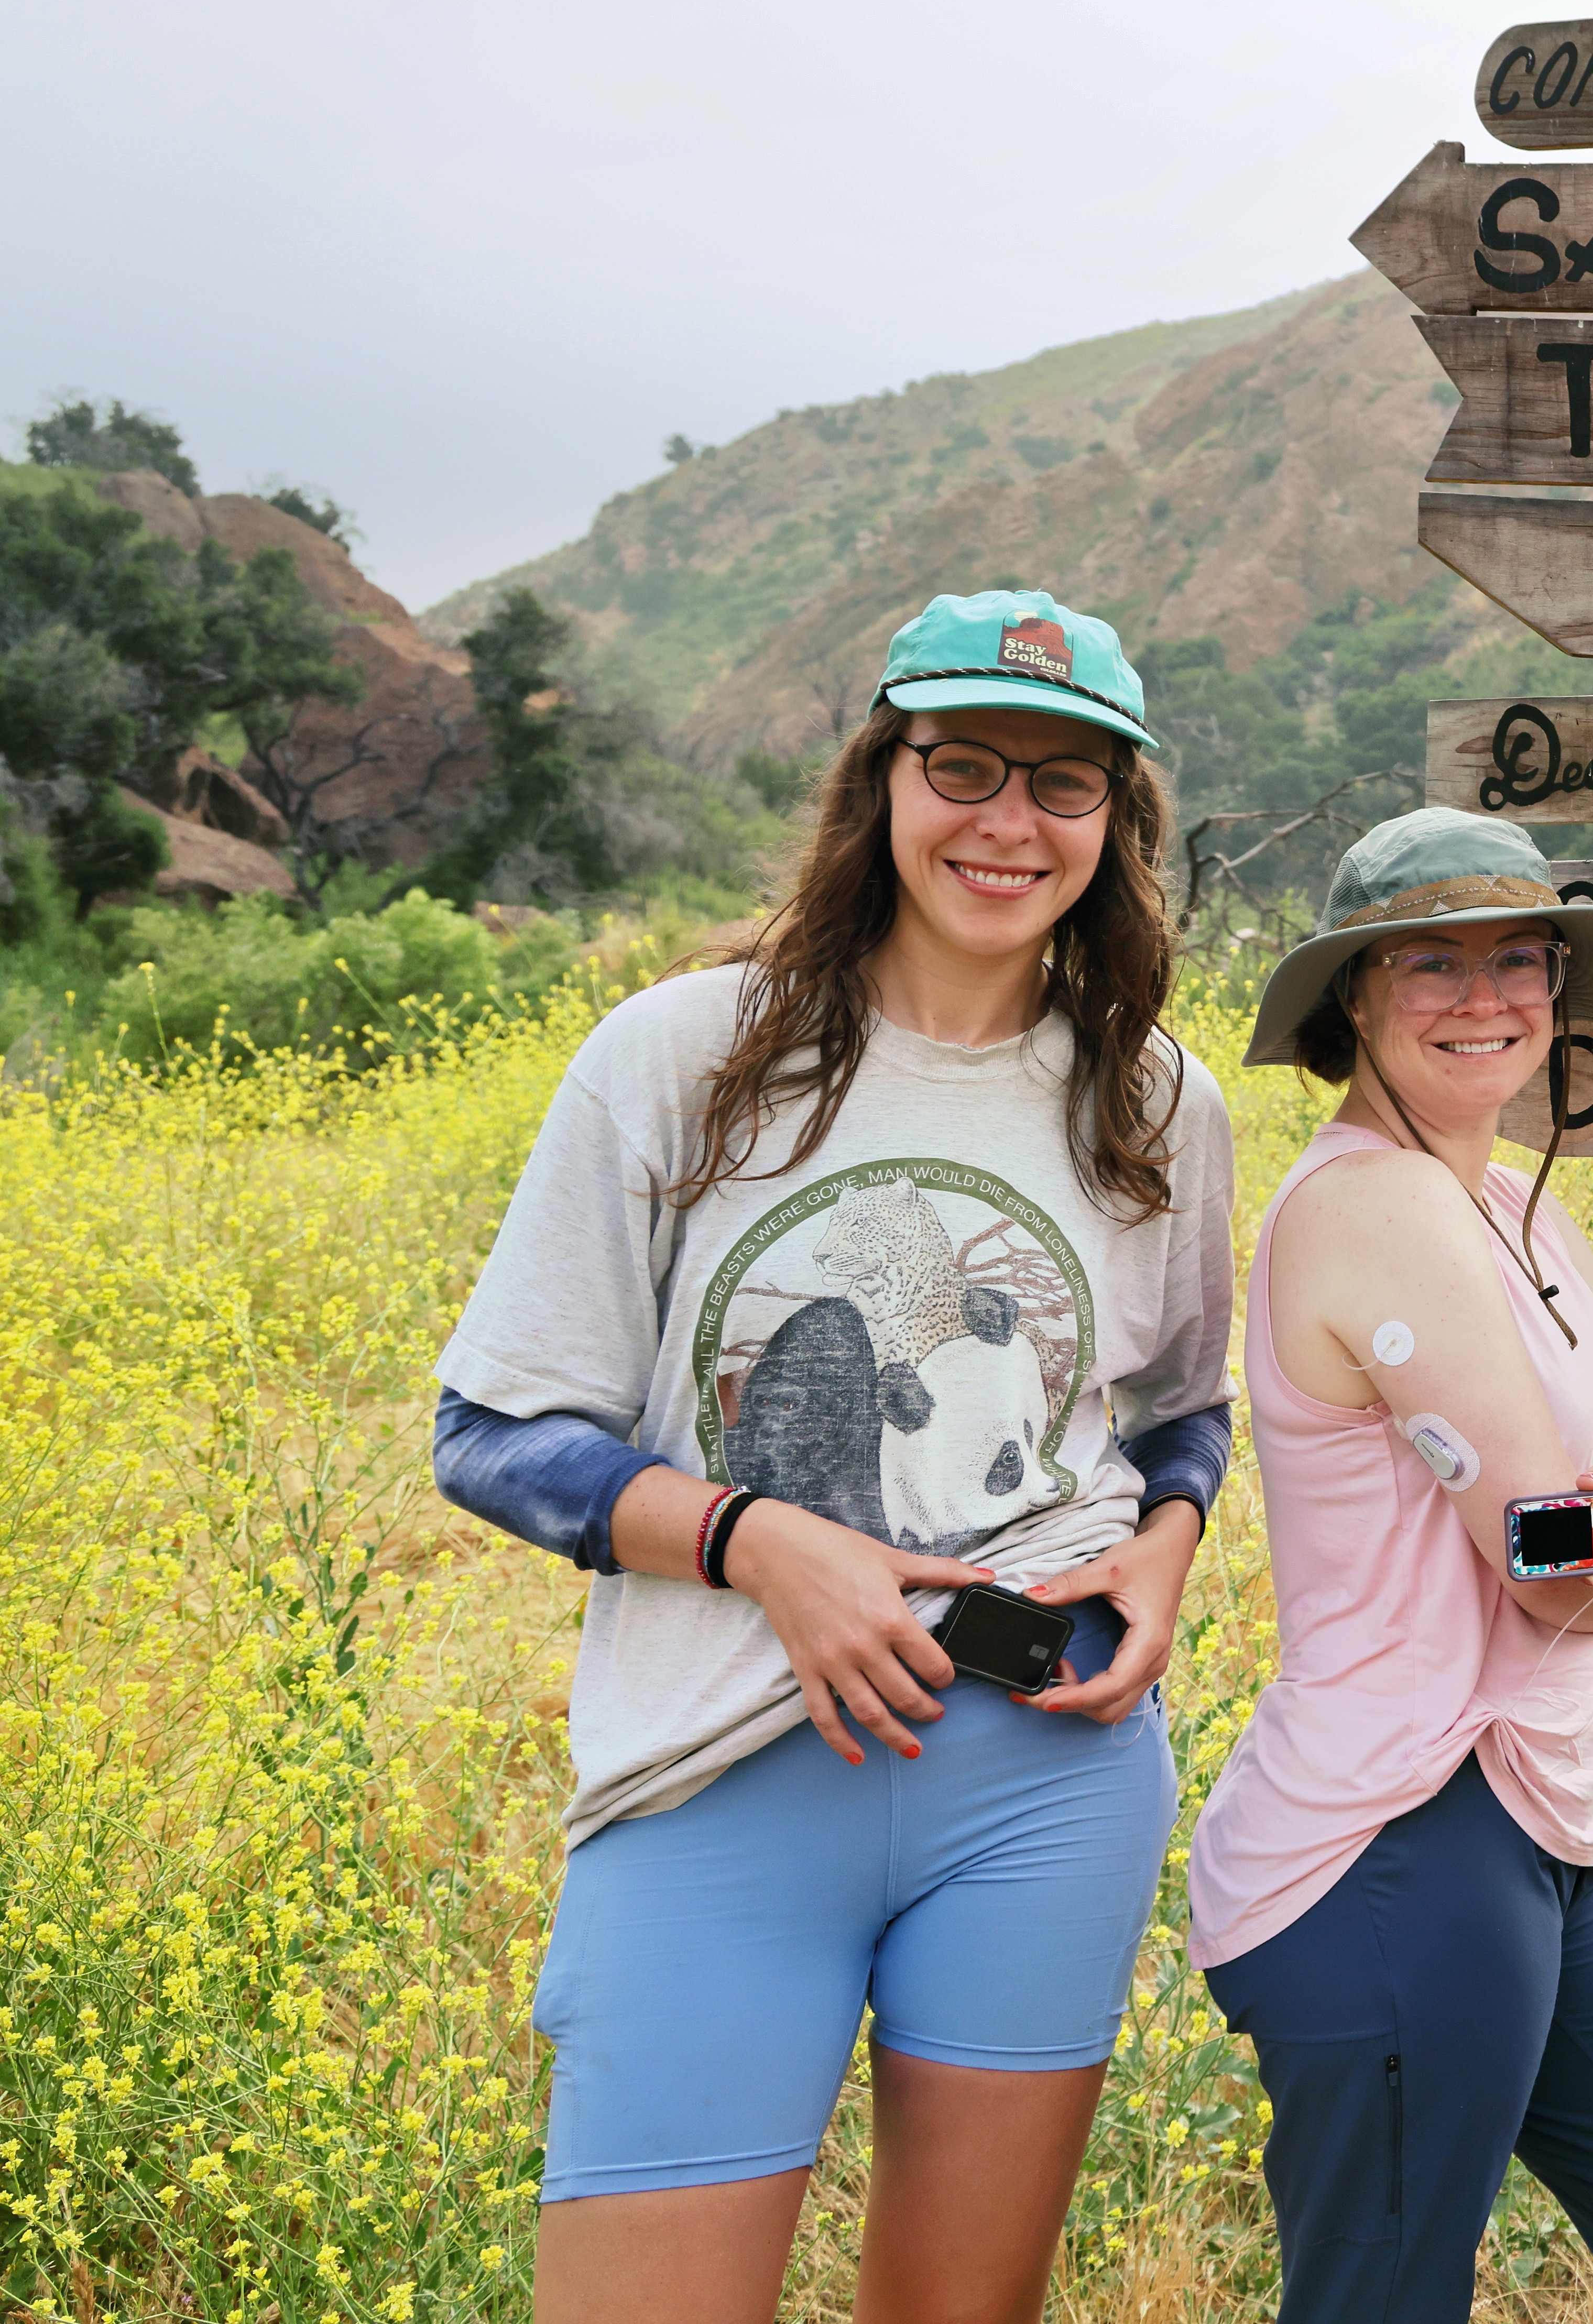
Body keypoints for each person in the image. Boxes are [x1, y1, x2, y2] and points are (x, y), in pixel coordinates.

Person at [430, 589, 1237, 2324]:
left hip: (1043, 1778)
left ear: (1118, 824)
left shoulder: (1158, 1099)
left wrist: (1168, 1541)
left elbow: (1178, 1405)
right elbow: (489, 1434)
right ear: (884, 779)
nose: (1009, 822)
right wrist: (759, 1544)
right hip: (720, 1775)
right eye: (963, 765)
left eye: (1066, 784)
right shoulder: (682, 1057)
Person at [1187, 807, 1593, 2324]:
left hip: (1533, 1827)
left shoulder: (1511, 1201)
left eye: (1519, 959)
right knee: (1388, 2299)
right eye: (1431, 964)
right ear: (1355, 1001)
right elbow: (1549, 1558)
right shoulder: (1375, 1206)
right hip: (1401, 1838)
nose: (1487, 997)